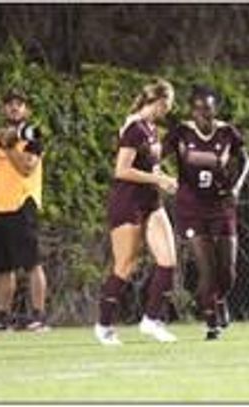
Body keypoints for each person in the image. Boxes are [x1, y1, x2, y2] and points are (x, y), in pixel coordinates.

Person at [163, 85, 249, 340]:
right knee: (207, 268)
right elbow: (155, 158)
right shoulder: (181, 133)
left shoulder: (226, 132)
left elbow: (246, 160)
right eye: (200, 111)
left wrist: (237, 186)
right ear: (193, 111)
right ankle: (211, 320)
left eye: (209, 111)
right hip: (191, 207)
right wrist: (161, 178)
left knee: (228, 271)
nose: (205, 116)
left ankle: (220, 301)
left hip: (222, 206)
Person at [94, 79, 179, 345]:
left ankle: (151, 320)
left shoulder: (152, 129)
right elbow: (122, 170)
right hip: (127, 202)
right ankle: (104, 325)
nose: (166, 110)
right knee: (125, 265)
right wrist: (158, 180)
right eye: (164, 104)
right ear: (152, 101)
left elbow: (149, 168)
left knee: (168, 260)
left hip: (151, 202)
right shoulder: (134, 128)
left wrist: (165, 177)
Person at [0, 88, 48, 332]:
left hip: (22, 205)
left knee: (31, 263)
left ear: (26, 109)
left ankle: (39, 315)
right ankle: (1, 316)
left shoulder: (33, 135)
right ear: (2, 108)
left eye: (19, 104)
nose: (14, 108)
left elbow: (27, 168)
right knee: (1, 267)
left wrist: (8, 147)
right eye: (9, 104)